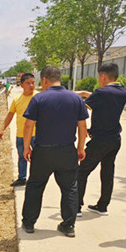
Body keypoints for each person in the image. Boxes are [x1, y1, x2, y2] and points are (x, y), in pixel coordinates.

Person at [21, 66, 89, 237]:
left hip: (43, 151)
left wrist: (26, 146)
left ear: (44, 80)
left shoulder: (39, 99)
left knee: (35, 186)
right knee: (70, 188)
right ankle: (68, 225)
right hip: (67, 151)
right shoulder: (76, 99)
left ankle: (29, 223)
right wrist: (80, 147)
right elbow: (82, 126)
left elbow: (29, 125)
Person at [74, 64, 126, 216]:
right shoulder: (124, 92)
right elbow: (106, 100)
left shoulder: (101, 92)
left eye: (99, 77)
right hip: (114, 139)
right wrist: (86, 93)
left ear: (103, 76)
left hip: (100, 140)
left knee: (82, 171)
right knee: (107, 172)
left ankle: (76, 206)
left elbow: (82, 107)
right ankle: (103, 206)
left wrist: (75, 97)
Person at [0, 73, 38, 186]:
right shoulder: (17, 100)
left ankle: (35, 179)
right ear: (21, 85)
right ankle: (22, 178)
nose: (31, 85)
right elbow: (10, 115)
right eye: (28, 83)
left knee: (37, 158)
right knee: (22, 157)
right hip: (21, 134)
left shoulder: (38, 97)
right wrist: (2, 129)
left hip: (36, 134)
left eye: (33, 82)